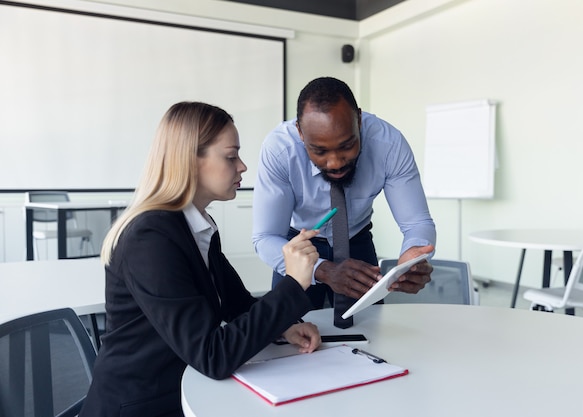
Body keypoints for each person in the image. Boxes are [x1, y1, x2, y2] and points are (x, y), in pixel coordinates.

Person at [80, 102, 321, 417]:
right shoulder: (150, 239)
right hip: (140, 404)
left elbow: (237, 305)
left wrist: (285, 327)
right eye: (231, 156)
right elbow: (213, 355)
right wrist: (293, 284)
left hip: (183, 387)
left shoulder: (196, 226)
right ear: (190, 161)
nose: (243, 166)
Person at [252, 77, 436, 320]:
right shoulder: (279, 150)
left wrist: (413, 257)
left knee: (370, 334)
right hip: (299, 245)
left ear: (358, 120)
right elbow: (266, 238)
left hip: (356, 240)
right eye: (320, 151)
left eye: (347, 145)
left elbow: (417, 223)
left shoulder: (389, 145)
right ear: (299, 131)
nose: (335, 162)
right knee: (288, 334)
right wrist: (323, 270)